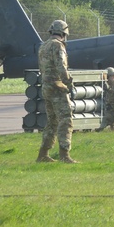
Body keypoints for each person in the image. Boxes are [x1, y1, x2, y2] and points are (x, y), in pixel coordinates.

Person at [37, 19, 76, 163]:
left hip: (46, 86)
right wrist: (69, 84)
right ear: (64, 33)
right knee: (65, 120)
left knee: (52, 121)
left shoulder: (43, 46)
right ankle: (64, 155)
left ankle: (43, 154)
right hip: (57, 87)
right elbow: (61, 68)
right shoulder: (58, 46)